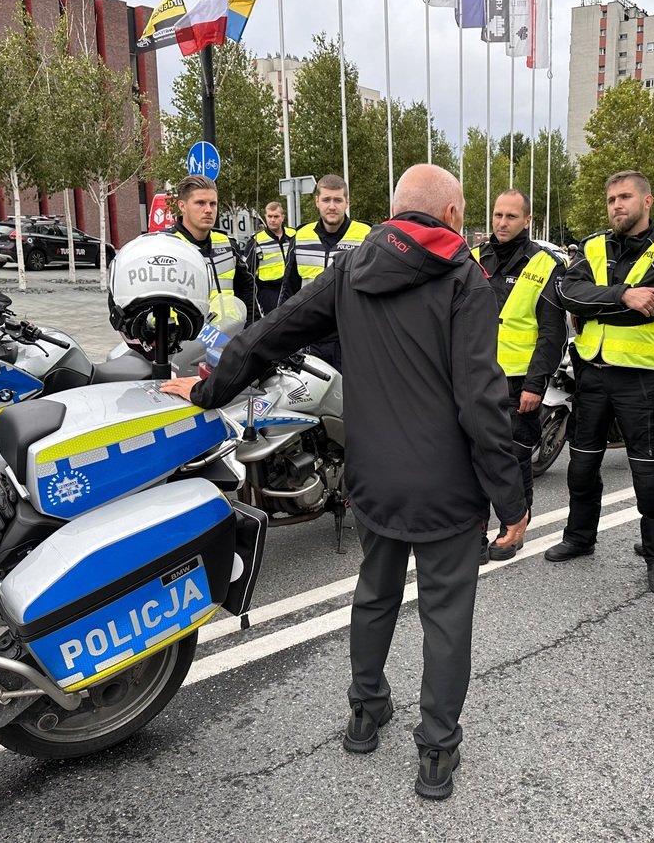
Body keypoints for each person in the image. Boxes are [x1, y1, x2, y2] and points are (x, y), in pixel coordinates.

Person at [161, 164, 528, 801]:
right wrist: (510, 497)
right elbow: (480, 400)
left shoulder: (352, 269)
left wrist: (207, 389)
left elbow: (269, 335)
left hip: (373, 478)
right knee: (446, 619)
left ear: (393, 213)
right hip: (447, 488)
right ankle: (436, 752)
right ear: (448, 215)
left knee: (375, 595)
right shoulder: (465, 278)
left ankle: (364, 712)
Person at [551, 171, 654, 595]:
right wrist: (622, 295)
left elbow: (647, 308)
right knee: (581, 466)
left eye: (625, 197)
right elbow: (565, 292)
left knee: (648, 476)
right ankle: (579, 537)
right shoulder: (592, 245)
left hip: (642, 378)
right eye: (611, 198)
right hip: (592, 372)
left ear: (647, 201)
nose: (616, 205)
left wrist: (598, 303)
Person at [473, 189, 566, 563]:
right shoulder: (475, 257)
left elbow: (551, 333)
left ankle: (513, 528)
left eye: (511, 216)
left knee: (514, 459)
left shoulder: (545, 263)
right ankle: (475, 531)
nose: (502, 223)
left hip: (518, 383)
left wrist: (535, 384)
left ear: (527, 220)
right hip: (477, 377)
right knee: (474, 457)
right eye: (497, 215)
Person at [279, 174, 372, 371]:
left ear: (347, 202)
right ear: (317, 202)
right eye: (326, 199)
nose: (332, 206)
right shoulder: (301, 237)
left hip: (351, 338)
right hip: (310, 338)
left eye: (338, 200)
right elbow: (289, 291)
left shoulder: (366, 236)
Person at [165, 175, 253, 311]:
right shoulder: (166, 245)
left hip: (229, 331)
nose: (208, 210)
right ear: (182, 206)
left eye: (213, 204)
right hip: (185, 331)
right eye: (200, 203)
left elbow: (247, 293)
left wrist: (252, 330)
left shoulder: (228, 245)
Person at [250, 201, 295, 315]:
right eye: (269, 216)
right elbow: (248, 273)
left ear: (282, 217)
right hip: (268, 292)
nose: (272, 220)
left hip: (292, 289)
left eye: (276, 216)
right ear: (265, 217)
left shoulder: (294, 235)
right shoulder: (256, 241)